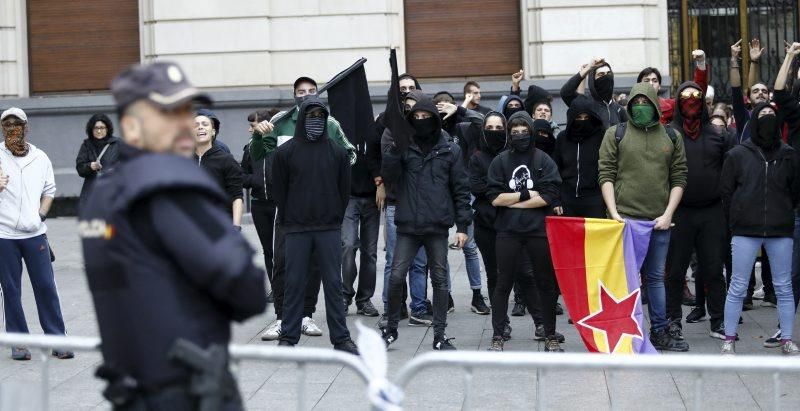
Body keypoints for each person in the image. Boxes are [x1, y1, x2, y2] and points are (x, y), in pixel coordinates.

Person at [79, 62, 266, 408]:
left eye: (185, 110)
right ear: (132, 128)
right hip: (189, 392)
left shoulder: (103, 193)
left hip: (132, 389)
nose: (183, 123)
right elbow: (248, 288)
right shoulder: (172, 186)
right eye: (167, 113)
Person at [250, 76, 356, 340]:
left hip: (324, 215)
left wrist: (327, 181)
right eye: (301, 91)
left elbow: (349, 155)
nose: (306, 95)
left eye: (311, 91)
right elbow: (260, 155)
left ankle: (307, 315)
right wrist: (258, 137)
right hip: (290, 214)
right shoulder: (280, 121)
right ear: (294, 94)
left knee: (317, 268)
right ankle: (283, 319)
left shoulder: (329, 123)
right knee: (283, 265)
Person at [598, 82, 689, 351]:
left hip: (659, 222)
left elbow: (679, 176)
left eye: (645, 103)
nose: (640, 107)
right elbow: (606, 174)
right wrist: (614, 213)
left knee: (655, 278)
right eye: (635, 103)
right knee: (625, 279)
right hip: (624, 221)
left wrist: (668, 213)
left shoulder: (671, 137)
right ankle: (623, 330)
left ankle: (659, 330)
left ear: (654, 104)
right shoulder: (616, 134)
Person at [381, 95, 472, 350]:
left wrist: (463, 227)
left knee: (440, 279)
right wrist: (395, 150)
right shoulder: (404, 145)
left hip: (436, 225)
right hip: (408, 224)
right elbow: (389, 176)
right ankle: (390, 330)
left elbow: (461, 188)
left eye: (426, 117)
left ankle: (439, 335)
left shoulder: (450, 148)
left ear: (434, 118)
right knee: (397, 276)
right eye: (416, 118)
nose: (421, 122)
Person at [271, 96, 358, 354]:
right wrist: (289, 220)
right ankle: (288, 337)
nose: (316, 121)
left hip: (328, 228)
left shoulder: (338, 152)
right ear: (303, 118)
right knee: (293, 283)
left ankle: (341, 339)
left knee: (333, 284)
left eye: (321, 116)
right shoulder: (285, 153)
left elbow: (344, 191)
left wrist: (333, 217)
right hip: (296, 229)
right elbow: (279, 191)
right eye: (311, 116)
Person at [720, 99, 800, 355]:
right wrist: (737, 219)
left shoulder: (789, 155)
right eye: (762, 113)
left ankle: (786, 338)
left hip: (780, 230)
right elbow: (727, 192)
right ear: (753, 120)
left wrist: (784, 212)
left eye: (771, 114)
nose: (767, 117)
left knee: (784, 287)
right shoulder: (738, 154)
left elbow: (795, 191)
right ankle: (729, 339)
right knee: (738, 285)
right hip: (745, 230)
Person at [486, 111, 563, 352]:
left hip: (537, 231)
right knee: (502, 283)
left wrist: (514, 202)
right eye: (515, 132)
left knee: (545, 283)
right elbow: (494, 198)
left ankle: (549, 333)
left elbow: (549, 195)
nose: (520, 136)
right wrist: (527, 194)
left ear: (530, 132)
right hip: (507, 232)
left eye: (524, 131)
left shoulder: (543, 160)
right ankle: (498, 334)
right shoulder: (500, 161)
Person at [0, 107, 72, 361]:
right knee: (10, 290)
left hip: (35, 234)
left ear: (26, 127)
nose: (12, 129)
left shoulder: (40, 157)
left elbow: (49, 190)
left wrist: (40, 215)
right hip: (4, 236)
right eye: (6, 125)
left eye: (17, 124)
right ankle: (19, 343)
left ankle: (57, 339)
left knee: (45, 286)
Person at [663, 81, 731, 345]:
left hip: (712, 212)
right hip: (679, 212)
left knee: (713, 269)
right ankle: (673, 322)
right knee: (675, 271)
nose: (691, 101)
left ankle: (718, 320)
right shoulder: (670, 134)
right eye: (685, 96)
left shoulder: (718, 135)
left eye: (696, 96)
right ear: (678, 101)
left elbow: (729, 171)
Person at [369, 76, 432, 328]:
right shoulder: (390, 132)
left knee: (419, 261)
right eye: (406, 106)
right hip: (397, 204)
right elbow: (389, 167)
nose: (411, 111)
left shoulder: (432, 133)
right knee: (395, 261)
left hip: (423, 206)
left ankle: (418, 307)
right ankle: (390, 307)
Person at [469, 111, 513, 338]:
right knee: (494, 274)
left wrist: (494, 190)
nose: (494, 132)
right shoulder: (477, 157)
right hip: (486, 224)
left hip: (512, 224)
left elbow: (514, 185)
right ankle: (500, 322)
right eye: (490, 128)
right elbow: (476, 186)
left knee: (511, 273)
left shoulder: (512, 155)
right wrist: (501, 190)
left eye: (499, 128)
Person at [341, 96, 382, 318]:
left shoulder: (374, 131)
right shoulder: (340, 131)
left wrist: (381, 185)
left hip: (372, 198)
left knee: (370, 252)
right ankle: (344, 295)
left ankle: (364, 299)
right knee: (348, 246)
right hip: (348, 198)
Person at [242, 109, 278, 295]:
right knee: (268, 249)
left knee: (282, 248)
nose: (250, 130)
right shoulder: (249, 148)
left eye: (252, 125)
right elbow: (242, 175)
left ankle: (288, 286)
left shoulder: (279, 145)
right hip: (259, 204)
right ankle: (275, 288)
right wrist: (254, 181)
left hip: (280, 205)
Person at [552, 98, 607, 218]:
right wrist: (556, 199)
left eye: (586, 118)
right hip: (567, 200)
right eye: (578, 118)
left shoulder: (602, 136)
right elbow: (555, 170)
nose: (582, 121)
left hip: (595, 199)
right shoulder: (562, 138)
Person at [194, 109, 245, 229]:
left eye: (205, 124)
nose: (200, 127)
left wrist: (236, 226)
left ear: (213, 131)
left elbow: (237, 197)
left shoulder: (226, 160)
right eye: (195, 125)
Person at [637, 49, 708, 124]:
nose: (651, 83)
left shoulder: (671, 106)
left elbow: (697, 94)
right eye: (646, 81)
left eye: (655, 81)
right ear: (638, 86)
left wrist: (701, 63)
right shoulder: (629, 107)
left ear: (659, 86)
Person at [561, 58, 628, 128]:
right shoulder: (585, 104)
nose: (606, 77)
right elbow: (566, 93)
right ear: (593, 80)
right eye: (601, 74)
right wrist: (587, 69)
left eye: (609, 73)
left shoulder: (620, 110)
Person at [730, 39, 772, 142]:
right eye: (756, 91)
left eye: (764, 91)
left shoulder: (774, 116)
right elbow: (736, 90)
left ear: (769, 98)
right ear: (748, 99)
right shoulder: (744, 117)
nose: (761, 93)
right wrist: (734, 59)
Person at [75, 114, 121, 208]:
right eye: (95, 128)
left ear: (107, 129)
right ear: (91, 129)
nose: (99, 131)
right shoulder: (86, 145)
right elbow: (80, 168)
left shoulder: (117, 144)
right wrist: (90, 166)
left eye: (102, 128)